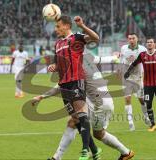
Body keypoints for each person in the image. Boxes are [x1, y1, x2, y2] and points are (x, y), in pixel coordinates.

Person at [33, 53, 134, 160]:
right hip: (99, 99)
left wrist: (41, 97)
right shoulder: (86, 56)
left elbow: (60, 85)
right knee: (73, 121)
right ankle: (57, 157)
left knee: (98, 134)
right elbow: (102, 58)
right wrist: (114, 57)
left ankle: (125, 152)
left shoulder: (75, 66)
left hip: (99, 104)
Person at [47, 15, 100, 160]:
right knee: (76, 119)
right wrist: (54, 66)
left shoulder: (76, 37)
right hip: (63, 84)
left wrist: (82, 26)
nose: (55, 29)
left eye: (58, 26)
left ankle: (85, 151)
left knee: (82, 115)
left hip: (76, 80)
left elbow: (96, 38)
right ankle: (95, 150)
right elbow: (58, 63)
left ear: (66, 26)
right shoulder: (57, 44)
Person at [118, 33, 150, 131]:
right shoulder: (123, 48)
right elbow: (121, 60)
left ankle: (146, 116)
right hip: (127, 77)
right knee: (127, 99)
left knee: (141, 100)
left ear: (137, 39)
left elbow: (146, 62)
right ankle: (131, 122)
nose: (131, 40)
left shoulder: (142, 49)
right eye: (129, 38)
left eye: (133, 38)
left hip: (138, 78)